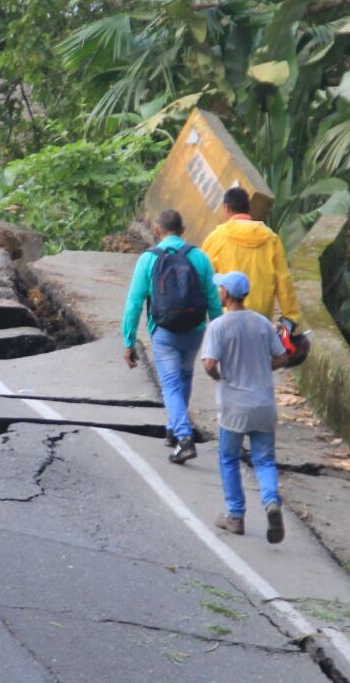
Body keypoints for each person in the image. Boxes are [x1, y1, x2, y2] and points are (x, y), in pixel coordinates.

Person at [122, 208, 222, 464]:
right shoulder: (199, 257)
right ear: (184, 230)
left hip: (164, 331)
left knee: (170, 384)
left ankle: (184, 437)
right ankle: (173, 428)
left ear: (157, 230)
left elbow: (134, 303)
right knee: (184, 376)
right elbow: (213, 300)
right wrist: (219, 338)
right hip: (194, 330)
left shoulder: (148, 259)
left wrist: (128, 340)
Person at [201, 271, 290, 543]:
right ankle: (271, 501)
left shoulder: (218, 326)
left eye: (221, 289)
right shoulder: (262, 323)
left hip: (233, 406)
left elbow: (209, 364)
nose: (219, 293)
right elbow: (282, 357)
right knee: (264, 460)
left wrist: (220, 378)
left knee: (229, 458)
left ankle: (236, 515)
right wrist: (264, 368)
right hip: (263, 403)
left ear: (226, 294)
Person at [201, 187, 301, 325]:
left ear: (227, 208)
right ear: (248, 209)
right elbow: (283, 280)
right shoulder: (271, 239)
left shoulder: (217, 237)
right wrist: (291, 316)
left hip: (228, 314)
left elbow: (202, 275)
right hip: (261, 317)